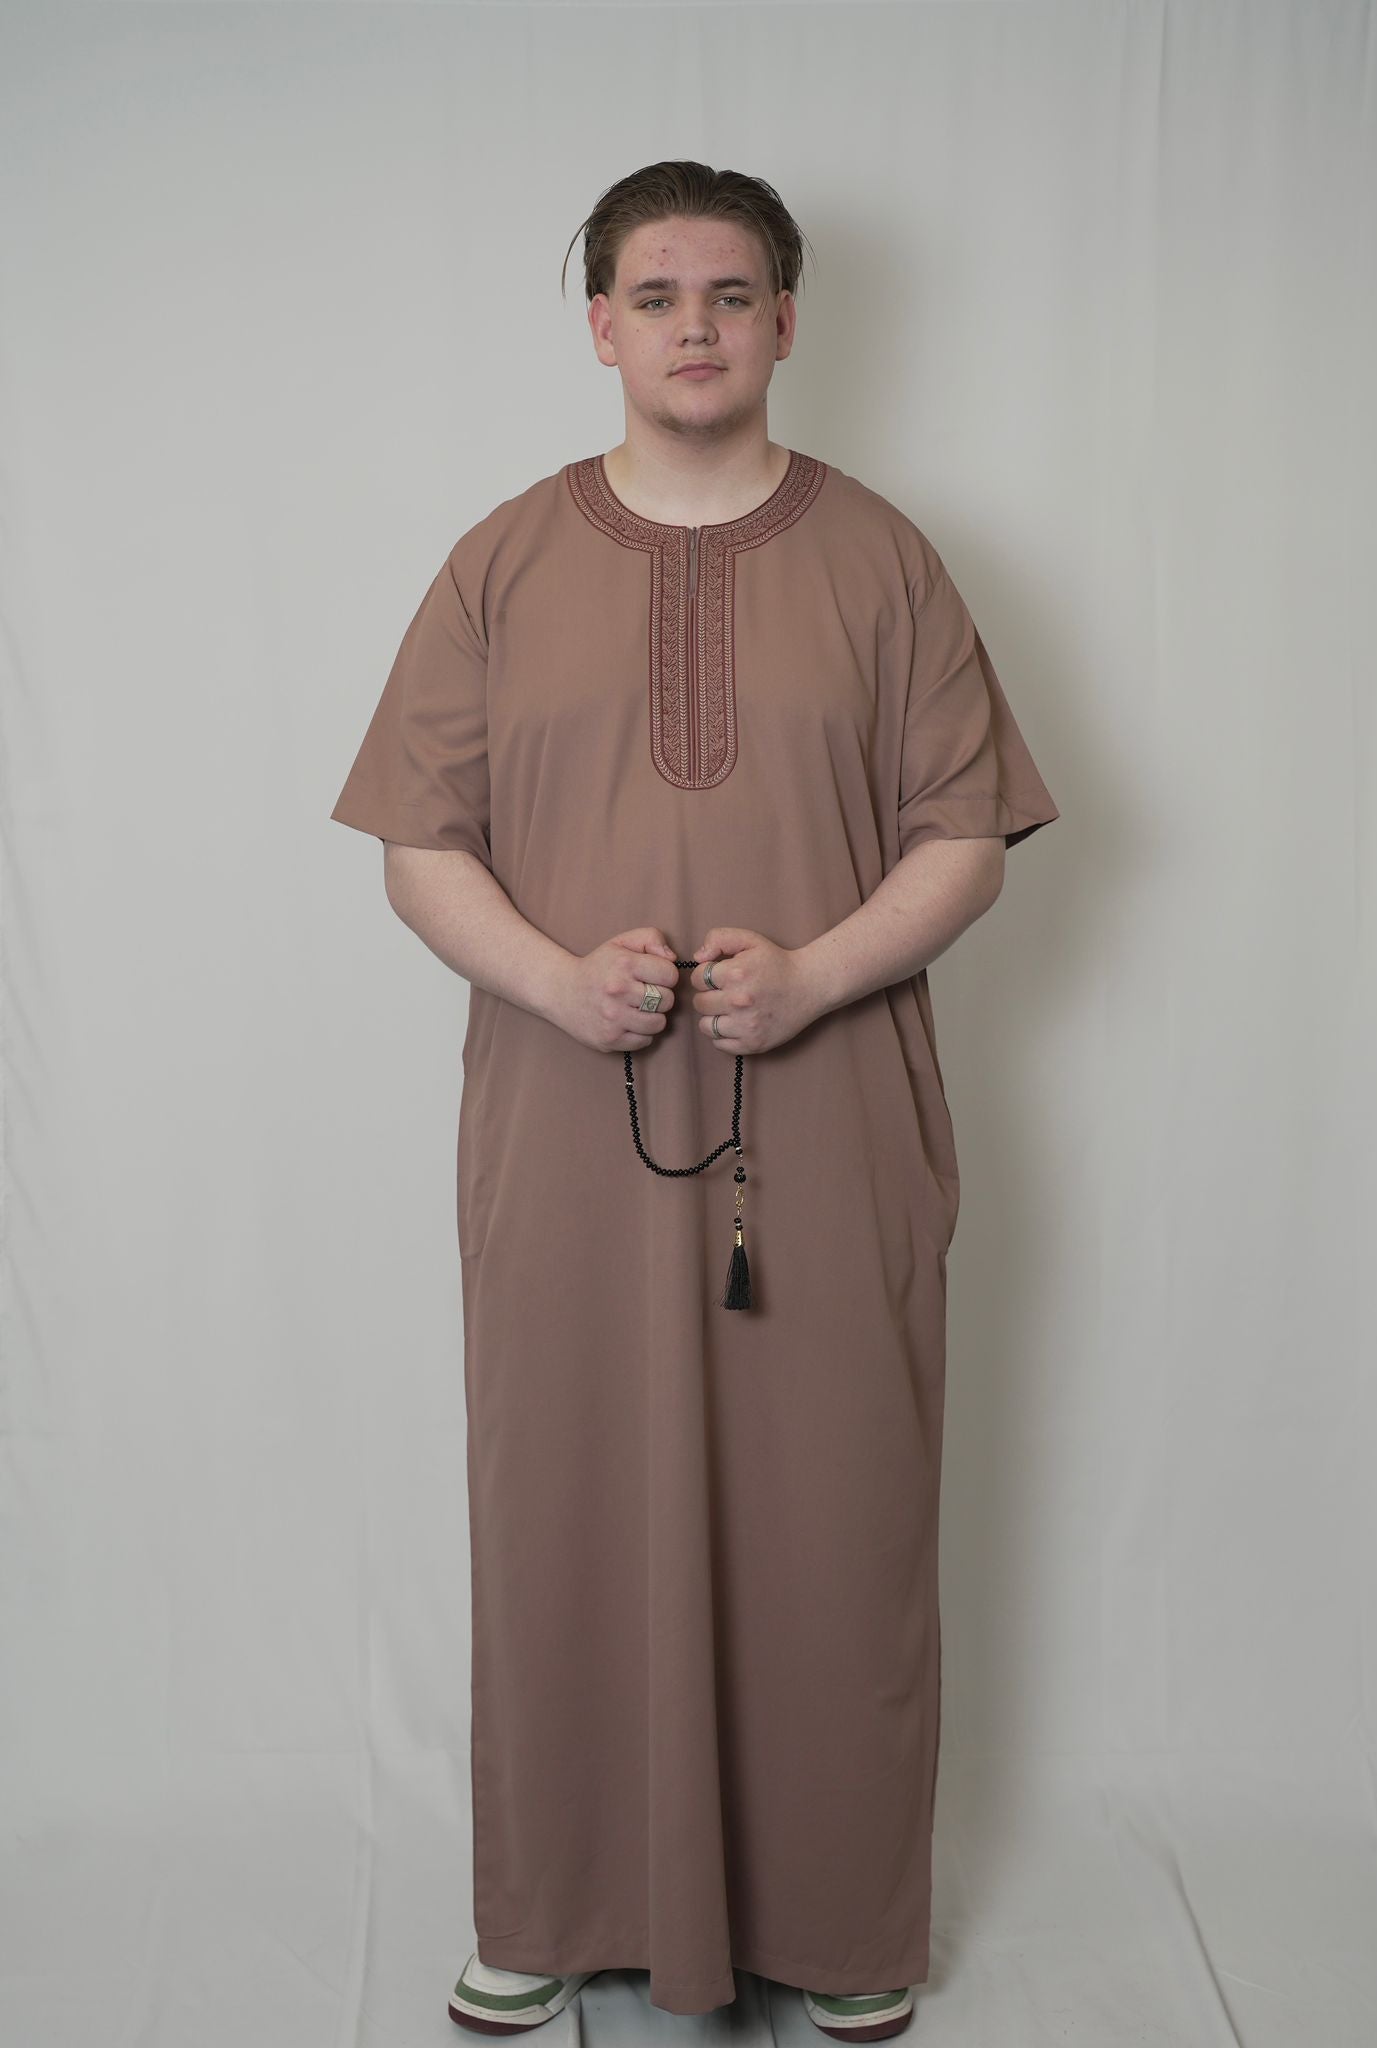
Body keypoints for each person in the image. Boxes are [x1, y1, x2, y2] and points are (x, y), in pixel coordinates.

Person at [330, 160, 1060, 2042]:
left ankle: (841, 1919)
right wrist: (551, 980)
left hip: (828, 1122)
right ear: (599, 327)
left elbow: (965, 834)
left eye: (730, 294)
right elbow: (417, 844)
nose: (694, 328)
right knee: (561, 1495)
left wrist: (815, 974)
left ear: (786, 321)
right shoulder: (501, 561)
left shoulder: (883, 557)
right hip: (562, 1124)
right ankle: (552, 1899)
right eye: (654, 296)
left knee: (838, 1506)